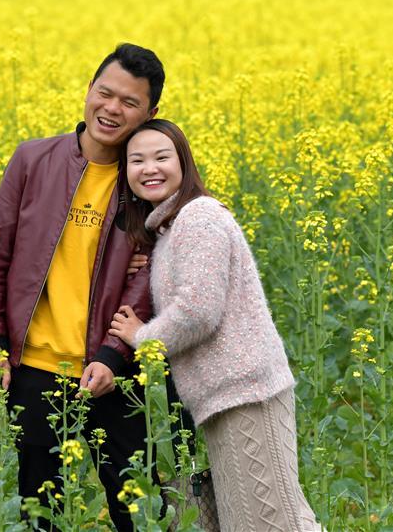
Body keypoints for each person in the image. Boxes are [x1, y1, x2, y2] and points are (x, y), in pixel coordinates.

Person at [0, 43, 163, 530]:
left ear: (151, 114)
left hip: (112, 371)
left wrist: (114, 353)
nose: (112, 109)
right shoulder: (32, 160)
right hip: (36, 367)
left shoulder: (147, 175)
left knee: (141, 512)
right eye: (105, 93)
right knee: (41, 514)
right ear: (88, 91)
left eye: (129, 103)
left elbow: (152, 272)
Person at [108, 119, 322, 532]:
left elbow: (198, 311)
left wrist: (142, 337)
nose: (149, 168)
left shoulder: (199, 217)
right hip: (227, 395)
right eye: (137, 160)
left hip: (247, 392)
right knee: (255, 521)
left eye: (161, 157)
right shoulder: (171, 228)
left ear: (183, 163)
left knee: (275, 523)